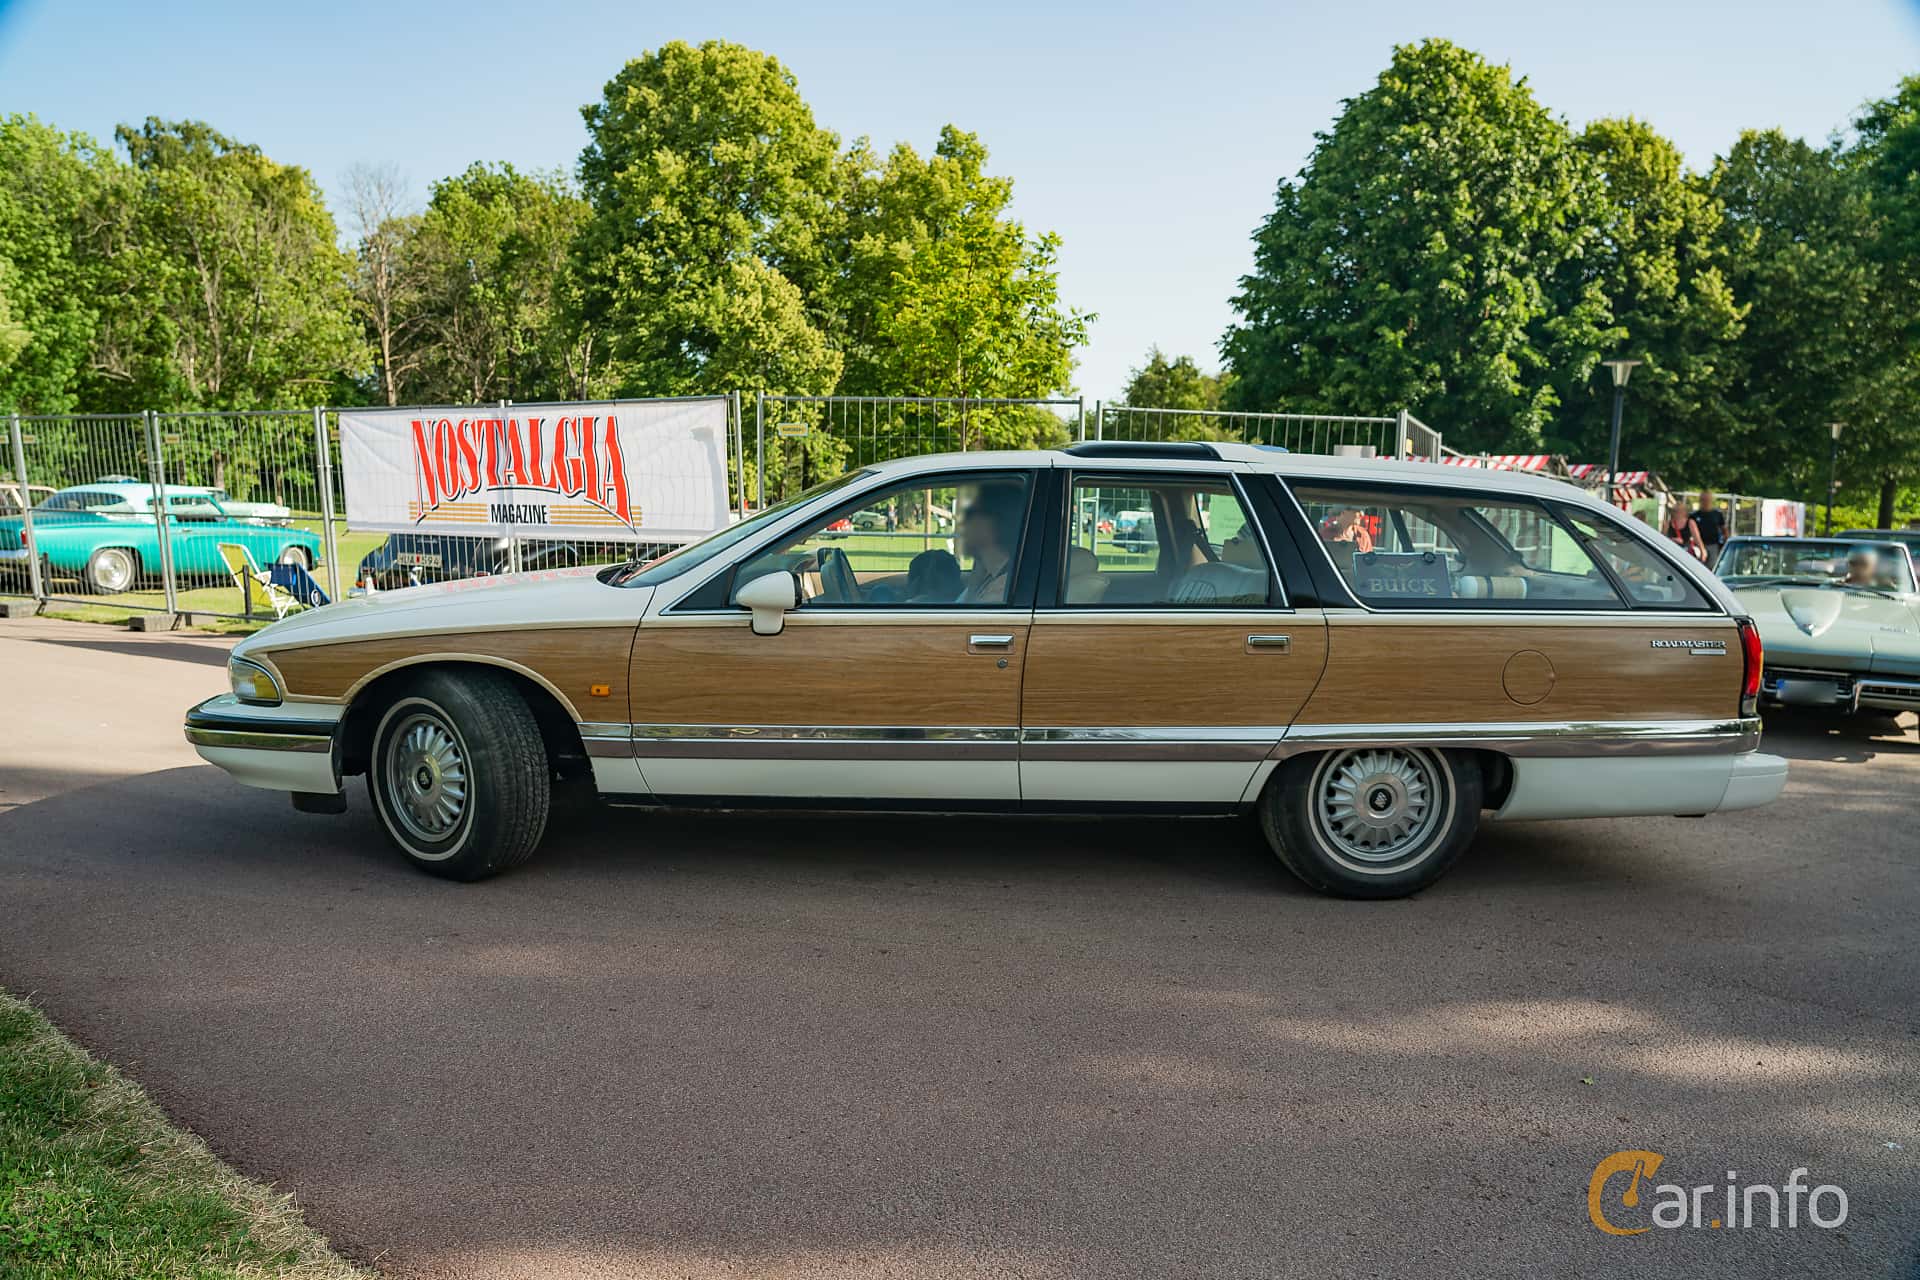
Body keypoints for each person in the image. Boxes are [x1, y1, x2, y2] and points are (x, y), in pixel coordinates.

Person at [956, 484, 1022, 604]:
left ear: (993, 524)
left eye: (970, 513)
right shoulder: (988, 574)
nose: (962, 522)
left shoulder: (1000, 591)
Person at [1693, 490, 1728, 567]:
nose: (1705, 502)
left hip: (1713, 546)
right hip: (1698, 546)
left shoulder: (1717, 514)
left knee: (1713, 566)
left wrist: (1725, 544)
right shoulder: (1695, 516)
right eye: (1703, 500)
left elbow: (1724, 530)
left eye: (1707, 500)